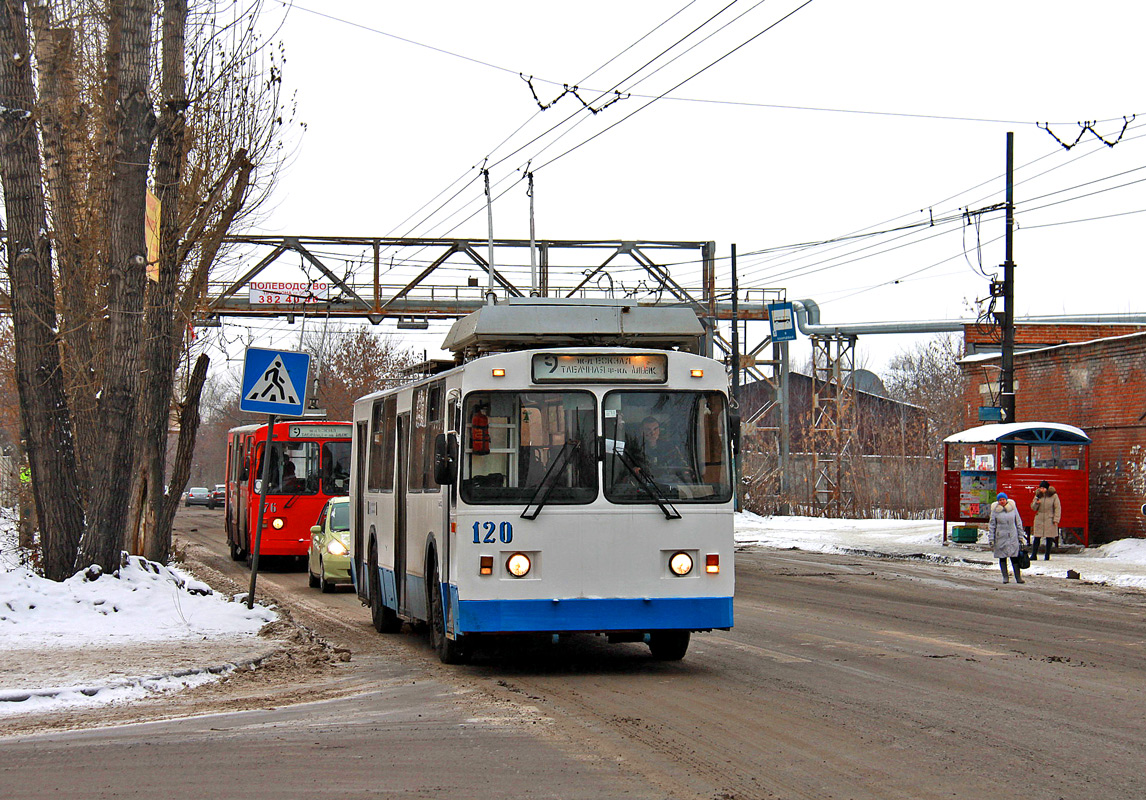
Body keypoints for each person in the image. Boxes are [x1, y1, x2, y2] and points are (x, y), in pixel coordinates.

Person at [630, 416, 691, 483]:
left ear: (659, 430)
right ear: (642, 431)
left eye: (655, 429)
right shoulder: (635, 449)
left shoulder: (670, 448)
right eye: (648, 429)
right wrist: (634, 470)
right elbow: (626, 468)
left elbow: (682, 466)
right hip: (643, 485)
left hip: (669, 486)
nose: (652, 433)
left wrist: (686, 472)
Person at [989, 491, 1027, 584]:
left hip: (1012, 537)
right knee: (1002, 557)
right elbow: (992, 525)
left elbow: (1018, 522)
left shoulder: (1013, 509)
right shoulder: (995, 511)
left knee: (1014, 557)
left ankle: (1018, 577)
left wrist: (1020, 536)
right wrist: (991, 538)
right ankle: (1005, 577)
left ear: (1006, 500)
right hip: (1000, 538)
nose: (1002, 501)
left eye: (1003, 499)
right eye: (1000, 500)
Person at [1029, 480, 1061, 561]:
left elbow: (1057, 508)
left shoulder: (1053, 496)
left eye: (1043, 488)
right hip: (1039, 518)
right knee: (1037, 537)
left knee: (1049, 538)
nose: (1041, 490)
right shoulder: (1038, 495)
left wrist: (1056, 519)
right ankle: (1034, 554)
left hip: (1049, 518)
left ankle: (1047, 555)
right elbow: (1033, 508)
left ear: (1047, 488)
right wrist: (1036, 503)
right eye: (1040, 488)